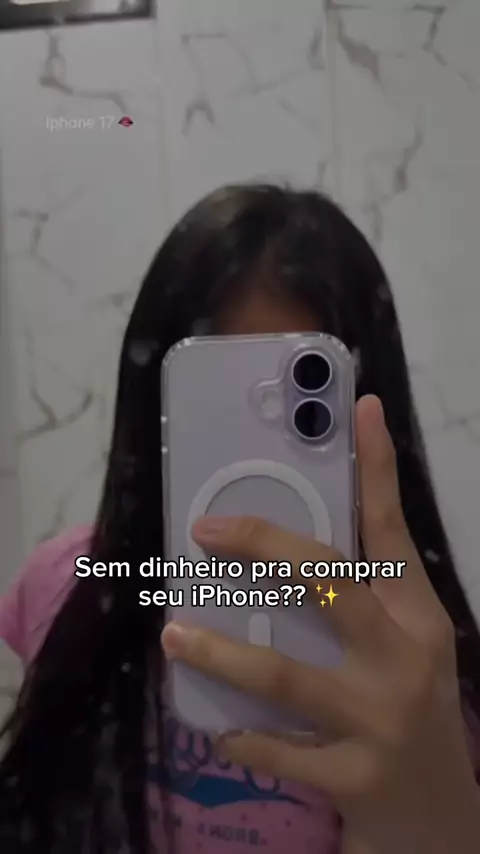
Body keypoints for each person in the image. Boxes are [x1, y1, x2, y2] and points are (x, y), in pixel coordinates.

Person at [0, 184, 479, 854]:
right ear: (152, 415)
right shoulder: (67, 587)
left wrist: (437, 832)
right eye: (218, 420)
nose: (255, 476)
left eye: (299, 429)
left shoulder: (421, 687)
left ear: (370, 420)